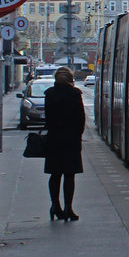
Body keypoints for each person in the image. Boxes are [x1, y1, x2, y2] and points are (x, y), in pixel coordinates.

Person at [44, 67, 85, 221]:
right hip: (71, 141)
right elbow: (81, 119)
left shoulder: (49, 94)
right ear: (70, 79)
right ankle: (68, 208)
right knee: (69, 175)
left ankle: (55, 206)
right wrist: (77, 136)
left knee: (55, 175)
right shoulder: (75, 94)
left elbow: (48, 119)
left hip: (54, 140)